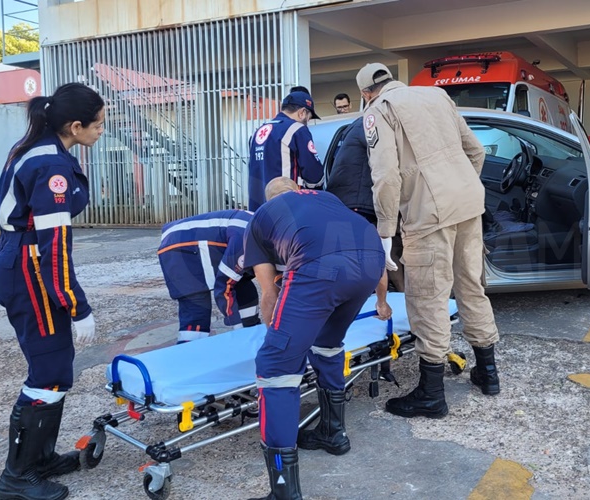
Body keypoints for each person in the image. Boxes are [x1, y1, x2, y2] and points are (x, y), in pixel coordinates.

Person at [357, 62, 501, 420]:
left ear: (365, 93)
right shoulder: (437, 95)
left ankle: (432, 394)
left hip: (428, 214)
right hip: (469, 204)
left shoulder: (379, 111)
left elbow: (387, 176)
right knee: (471, 285)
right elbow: (477, 152)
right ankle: (488, 373)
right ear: (393, 79)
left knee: (428, 297)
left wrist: (386, 231)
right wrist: (460, 190)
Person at [0, 82, 105, 500]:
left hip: (18, 259)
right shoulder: (51, 166)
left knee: (55, 365)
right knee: (49, 371)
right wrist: (78, 307)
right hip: (28, 267)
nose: (100, 131)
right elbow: (53, 250)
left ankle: (40, 458)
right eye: (98, 125)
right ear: (75, 126)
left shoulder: (34, 146)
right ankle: (17, 478)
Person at [245, 177, 391, 500]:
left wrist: (282, 338)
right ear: (298, 189)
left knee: (275, 365)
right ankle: (333, 432)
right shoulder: (328, 201)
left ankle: (283, 491)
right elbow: (373, 256)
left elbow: (269, 297)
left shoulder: (261, 217)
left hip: (319, 264)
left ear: (267, 201)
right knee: (326, 340)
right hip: (370, 259)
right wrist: (381, 301)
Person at [325, 117, 405, 291]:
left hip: (353, 199)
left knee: (384, 251)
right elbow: (389, 160)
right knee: (375, 255)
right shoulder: (374, 122)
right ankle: (387, 298)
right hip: (359, 200)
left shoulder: (359, 125)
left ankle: (397, 295)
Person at [157, 209, 260, 343]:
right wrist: (237, 326)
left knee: (245, 290)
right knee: (197, 309)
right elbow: (224, 286)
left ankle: (251, 334)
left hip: (212, 243)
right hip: (179, 247)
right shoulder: (245, 240)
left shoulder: (264, 229)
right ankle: (188, 354)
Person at [247, 91, 325, 211]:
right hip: (286, 207)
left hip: (258, 210)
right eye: (309, 117)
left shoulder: (258, 132)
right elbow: (313, 174)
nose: (308, 122)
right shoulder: (297, 130)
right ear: (302, 112)